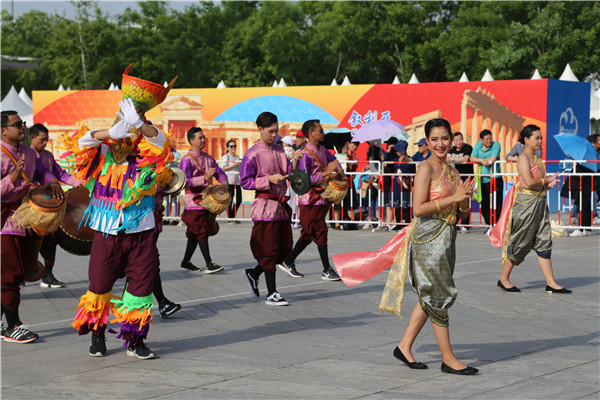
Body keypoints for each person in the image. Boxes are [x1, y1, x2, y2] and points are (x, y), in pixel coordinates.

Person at [332, 118, 478, 375]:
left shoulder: (454, 172)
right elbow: (418, 208)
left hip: (447, 240)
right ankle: (448, 358)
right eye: (434, 139)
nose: (440, 144)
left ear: (452, 139)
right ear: (427, 141)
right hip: (427, 238)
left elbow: (463, 214)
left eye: (444, 138)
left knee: (430, 293)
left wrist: (464, 200)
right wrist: (453, 198)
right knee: (438, 295)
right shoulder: (426, 169)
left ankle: (404, 347)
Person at [1, 110, 64, 343]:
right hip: (4, 222)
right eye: (17, 124)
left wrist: (53, 181)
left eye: (23, 123)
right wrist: (14, 177)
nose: (23, 127)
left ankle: (5, 321)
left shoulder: (28, 151)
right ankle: (12, 326)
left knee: (19, 272)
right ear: (3, 131)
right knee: (10, 273)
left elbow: (42, 171)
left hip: (26, 219)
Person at [490, 125, 571, 294]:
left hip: (539, 204)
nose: (540, 141)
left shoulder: (537, 158)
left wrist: (547, 183)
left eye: (541, 138)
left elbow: (538, 183)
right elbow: (528, 181)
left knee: (544, 241)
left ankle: (551, 282)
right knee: (521, 241)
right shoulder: (523, 158)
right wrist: (546, 180)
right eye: (537, 138)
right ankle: (504, 279)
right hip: (525, 205)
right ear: (526, 140)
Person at [240, 112, 301, 305]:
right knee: (269, 249)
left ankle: (254, 273)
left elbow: (287, 173)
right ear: (260, 129)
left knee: (283, 249)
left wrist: (295, 163)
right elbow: (245, 181)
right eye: (270, 131)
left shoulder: (280, 151)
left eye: (276, 131)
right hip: (265, 206)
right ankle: (272, 293)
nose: (273, 135)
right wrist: (267, 180)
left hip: (281, 206)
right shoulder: (252, 153)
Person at [278, 119, 343, 281]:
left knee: (308, 234)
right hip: (309, 200)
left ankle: (288, 261)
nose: (322, 133)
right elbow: (303, 179)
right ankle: (326, 270)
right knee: (320, 231)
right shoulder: (305, 153)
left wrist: (338, 167)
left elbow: (331, 161)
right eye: (320, 130)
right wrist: (327, 173)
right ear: (310, 133)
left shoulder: (321, 149)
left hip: (320, 199)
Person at [28, 123, 82, 288]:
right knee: (27, 242)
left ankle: (48, 275)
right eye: (42, 140)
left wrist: (79, 183)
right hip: (30, 205)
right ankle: (23, 274)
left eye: (46, 140)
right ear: (32, 137)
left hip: (49, 207)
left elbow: (60, 174)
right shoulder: (26, 155)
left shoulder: (48, 156)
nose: (44, 143)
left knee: (51, 239)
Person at [179, 127, 228, 273]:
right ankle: (209, 263)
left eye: (203, 137)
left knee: (194, 233)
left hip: (206, 200)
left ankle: (186, 261)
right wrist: (204, 178)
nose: (203, 140)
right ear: (191, 140)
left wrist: (224, 182)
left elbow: (220, 173)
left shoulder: (209, 158)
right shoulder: (186, 160)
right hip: (193, 201)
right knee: (201, 231)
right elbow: (184, 181)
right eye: (199, 138)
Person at [153, 184, 182, 318]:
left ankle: (162, 303)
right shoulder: (137, 167)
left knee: (145, 263)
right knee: (148, 262)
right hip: (141, 222)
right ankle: (162, 302)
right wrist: (164, 184)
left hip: (153, 221)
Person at [470, 129, 503, 234]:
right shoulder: (478, 145)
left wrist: (486, 161)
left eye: (490, 138)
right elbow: (472, 158)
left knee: (497, 204)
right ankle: (489, 224)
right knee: (484, 204)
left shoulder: (496, 145)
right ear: (482, 140)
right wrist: (481, 161)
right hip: (483, 179)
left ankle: (496, 225)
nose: (489, 141)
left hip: (495, 179)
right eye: (486, 139)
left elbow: (493, 159)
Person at [448, 132, 473, 233]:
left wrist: (453, 159)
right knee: (455, 199)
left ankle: (465, 224)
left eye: (460, 139)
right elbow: (447, 158)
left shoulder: (468, 148)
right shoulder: (451, 149)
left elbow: (465, 158)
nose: (459, 142)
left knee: (465, 199)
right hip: (455, 177)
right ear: (454, 141)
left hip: (466, 177)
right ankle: (456, 222)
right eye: (457, 140)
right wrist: (457, 160)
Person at [220, 139, 242, 223]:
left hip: (237, 181)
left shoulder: (237, 157)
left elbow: (240, 168)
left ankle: (232, 216)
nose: (233, 148)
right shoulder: (226, 156)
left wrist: (240, 164)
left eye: (234, 146)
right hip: (229, 181)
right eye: (231, 146)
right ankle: (230, 218)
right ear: (228, 148)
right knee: (230, 200)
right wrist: (234, 164)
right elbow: (223, 168)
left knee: (239, 199)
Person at [394, 140, 415, 229]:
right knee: (397, 205)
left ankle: (407, 223)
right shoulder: (394, 159)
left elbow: (413, 172)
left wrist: (414, 185)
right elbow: (385, 161)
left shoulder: (409, 159)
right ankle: (398, 223)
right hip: (397, 185)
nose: (396, 152)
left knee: (407, 204)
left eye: (398, 150)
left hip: (407, 185)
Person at [282, 135, 299, 228]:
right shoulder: (283, 151)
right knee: (288, 200)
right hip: (286, 179)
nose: (283, 143)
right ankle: (290, 219)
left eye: (284, 142)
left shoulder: (291, 151)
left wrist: (292, 157)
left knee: (293, 200)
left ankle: (294, 220)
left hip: (291, 178)